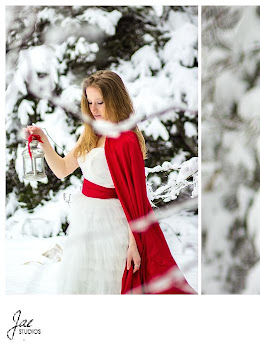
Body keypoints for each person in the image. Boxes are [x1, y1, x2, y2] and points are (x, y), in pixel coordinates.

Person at [25, 70, 195, 294]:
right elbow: (63, 169)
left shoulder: (126, 140)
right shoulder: (90, 134)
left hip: (112, 223)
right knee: (82, 283)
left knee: (107, 283)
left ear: (114, 100)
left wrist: (134, 245)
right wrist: (44, 141)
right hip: (84, 220)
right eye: (89, 102)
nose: (93, 109)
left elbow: (136, 196)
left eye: (100, 102)